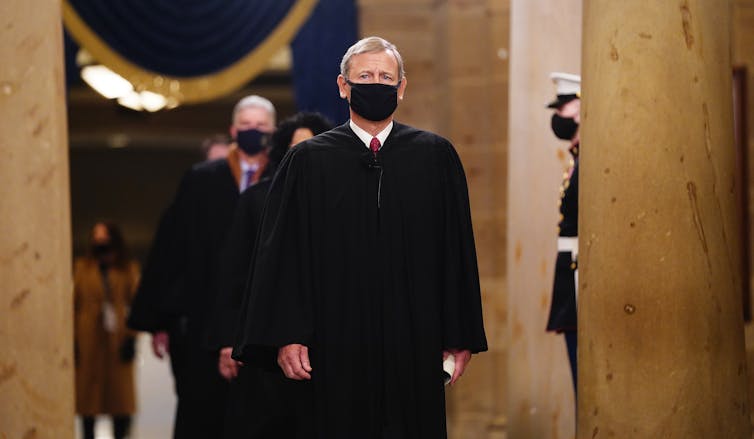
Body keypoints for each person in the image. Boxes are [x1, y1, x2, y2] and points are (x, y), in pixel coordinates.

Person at [233, 36, 487, 438]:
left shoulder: (435, 157)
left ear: (402, 88)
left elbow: (455, 253)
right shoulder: (308, 161)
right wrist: (288, 334)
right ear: (342, 86)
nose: (376, 83)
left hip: (413, 341)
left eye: (386, 77)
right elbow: (283, 256)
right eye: (364, 76)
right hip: (333, 344)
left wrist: (459, 335)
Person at [127, 95, 277, 438]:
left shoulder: (283, 177)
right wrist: (159, 319)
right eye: (246, 126)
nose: (253, 132)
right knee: (203, 413)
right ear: (233, 130)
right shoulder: (202, 179)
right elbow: (172, 248)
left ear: (273, 131)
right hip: (204, 316)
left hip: (261, 318)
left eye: (261, 126)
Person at [203, 112, 333, 438]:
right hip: (267, 342)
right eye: (296, 148)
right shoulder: (257, 199)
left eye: (313, 148)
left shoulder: (343, 202)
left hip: (332, 341)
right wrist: (228, 341)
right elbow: (233, 277)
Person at [74, 221, 140, 439]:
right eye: (96, 236)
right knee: (87, 401)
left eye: (104, 237)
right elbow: (73, 304)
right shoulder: (83, 268)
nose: (99, 241)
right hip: (89, 340)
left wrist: (132, 338)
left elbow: (136, 304)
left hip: (117, 341)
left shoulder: (127, 268)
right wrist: (72, 340)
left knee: (120, 399)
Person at [545, 72, 581, 390]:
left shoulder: (588, 160)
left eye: (565, 107)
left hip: (579, 269)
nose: (558, 116)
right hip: (570, 268)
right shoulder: (577, 158)